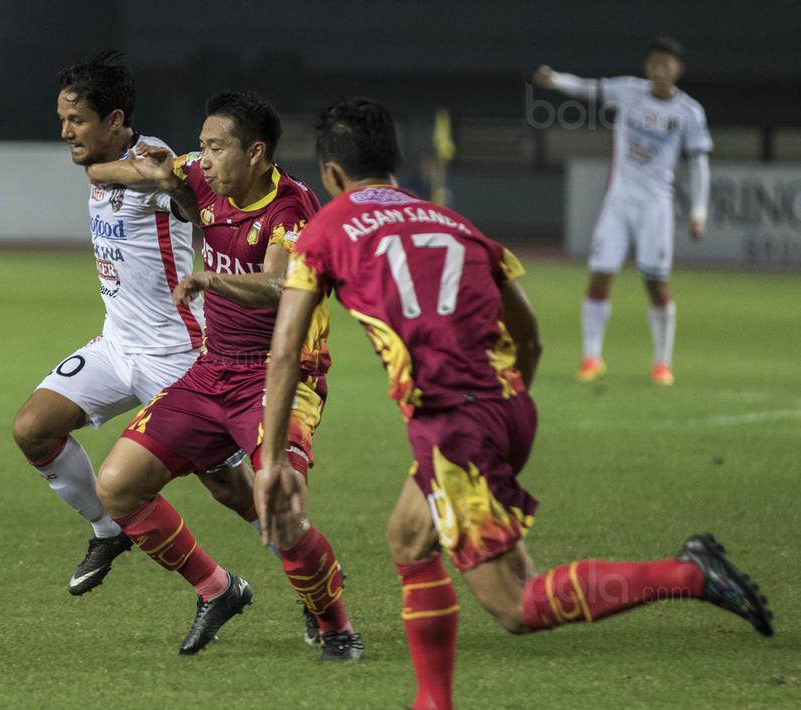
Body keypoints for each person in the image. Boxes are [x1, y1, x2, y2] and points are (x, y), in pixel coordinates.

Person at [260, 97, 771, 708]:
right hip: (505, 405)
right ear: (395, 163)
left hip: (454, 426)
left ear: (333, 175)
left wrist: (271, 462)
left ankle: (688, 574)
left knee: (517, 603)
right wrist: (501, 404)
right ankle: (433, 701)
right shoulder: (456, 223)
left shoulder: (324, 229)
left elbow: (287, 351)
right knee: (408, 535)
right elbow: (529, 335)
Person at [92, 90, 362, 660]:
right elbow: (104, 167)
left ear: (257, 153)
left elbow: (278, 288)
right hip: (213, 371)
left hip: (280, 378)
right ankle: (217, 588)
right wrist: (159, 177)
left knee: (281, 510)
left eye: (217, 147)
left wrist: (210, 281)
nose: (204, 158)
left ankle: (335, 624)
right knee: (118, 486)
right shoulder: (202, 178)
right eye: (202, 147)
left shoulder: (291, 208)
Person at [11, 51, 258, 597]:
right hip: (116, 345)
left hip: (176, 354)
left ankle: (312, 584)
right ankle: (107, 528)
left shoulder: (157, 159)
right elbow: (101, 170)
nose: (65, 132)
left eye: (77, 120)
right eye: (63, 119)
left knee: (233, 490)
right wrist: (104, 167)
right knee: (33, 428)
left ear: (115, 120)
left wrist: (171, 187)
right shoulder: (107, 162)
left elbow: (193, 205)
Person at [534, 35, 712, 385]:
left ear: (678, 70)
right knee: (600, 275)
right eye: (655, 63)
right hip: (617, 202)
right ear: (647, 67)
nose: (661, 70)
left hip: (656, 207)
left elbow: (698, 163)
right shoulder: (629, 91)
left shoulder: (689, 112)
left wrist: (699, 211)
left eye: (668, 64)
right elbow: (588, 88)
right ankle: (591, 358)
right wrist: (555, 80)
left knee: (656, 283)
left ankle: (662, 363)